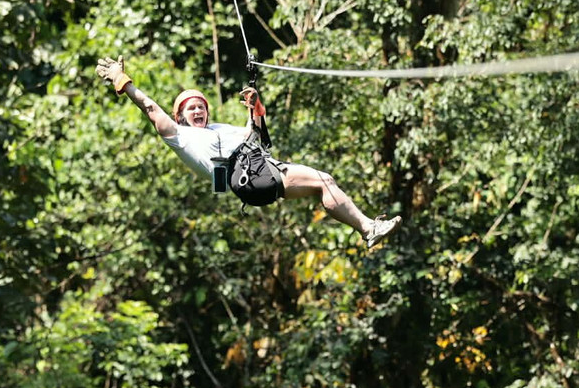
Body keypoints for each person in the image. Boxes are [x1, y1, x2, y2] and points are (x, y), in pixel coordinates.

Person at [96, 55, 401, 248]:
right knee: (323, 181)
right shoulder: (179, 136)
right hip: (249, 178)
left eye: (201, 106)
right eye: (191, 109)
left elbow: (252, 133)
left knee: (324, 181)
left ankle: (367, 229)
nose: (198, 111)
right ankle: (367, 228)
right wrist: (122, 81)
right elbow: (150, 108)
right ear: (180, 117)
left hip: (256, 171)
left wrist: (254, 104)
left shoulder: (219, 129)